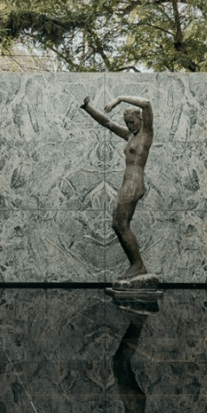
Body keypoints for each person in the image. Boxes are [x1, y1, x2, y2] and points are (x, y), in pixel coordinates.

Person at [81, 95, 154, 286]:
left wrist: (119, 99)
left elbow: (146, 104)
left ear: (140, 119)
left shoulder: (146, 134)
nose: (130, 126)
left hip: (134, 184)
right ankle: (137, 265)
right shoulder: (130, 136)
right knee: (120, 224)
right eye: (127, 123)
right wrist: (88, 108)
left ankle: (138, 265)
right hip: (128, 184)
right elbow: (107, 123)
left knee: (119, 224)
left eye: (132, 122)